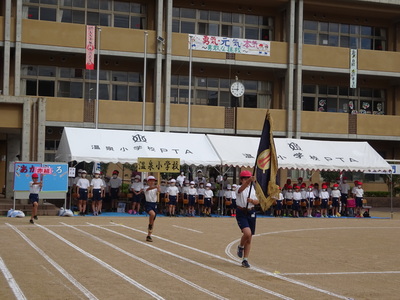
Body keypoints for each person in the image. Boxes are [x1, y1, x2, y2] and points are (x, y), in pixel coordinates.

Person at [235, 170, 259, 268]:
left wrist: (252, 201)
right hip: (242, 212)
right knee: (247, 233)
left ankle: (245, 259)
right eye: (245, 178)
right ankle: (240, 246)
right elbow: (241, 189)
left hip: (251, 212)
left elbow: (258, 201)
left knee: (249, 238)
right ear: (241, 179)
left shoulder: (252, 189)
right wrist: (249, 180)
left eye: (248, 178)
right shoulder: (238, 188)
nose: (247, 180)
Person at [144, 176, 160, 242]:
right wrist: (156, 187)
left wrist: (158, 188)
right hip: (148, 204)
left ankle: (149, 235)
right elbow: (148, 189)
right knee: (152, 214)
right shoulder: (145, 187)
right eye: (150, 181)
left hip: (154, 204)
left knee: (153, 220)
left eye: (153, 181)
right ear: (148, 182)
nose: (152, 182)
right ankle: (150, 224)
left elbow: (159, 191)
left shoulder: (155, 188)